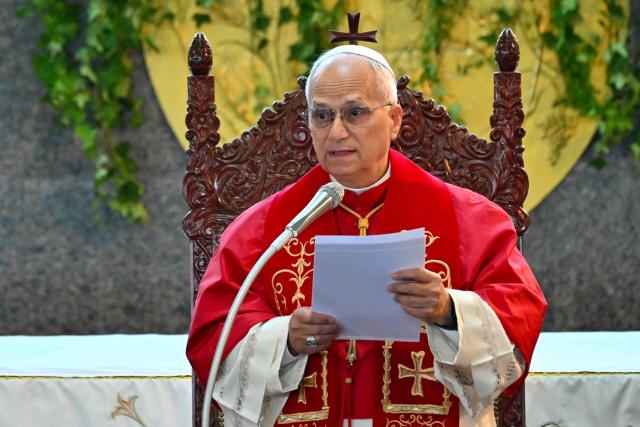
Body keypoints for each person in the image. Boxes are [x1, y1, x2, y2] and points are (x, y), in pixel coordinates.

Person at [187, 44, 547, 427]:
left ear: (394, 120)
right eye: (321, 116)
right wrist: (285, 340)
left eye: (355, 113)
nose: (336, 131)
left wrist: (448, 312)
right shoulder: (261, 230)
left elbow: (517, 317)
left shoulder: (471, 222)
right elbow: (215, 336)